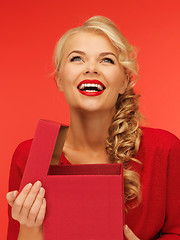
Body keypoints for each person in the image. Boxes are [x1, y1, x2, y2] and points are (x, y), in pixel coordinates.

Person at [6, 16, 180, 240]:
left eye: (106, 60)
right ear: (59, 78)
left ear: (124, 81)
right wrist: (30, 228)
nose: (91, 69)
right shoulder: (31, 156)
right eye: (77, 58)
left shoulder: (164, 149)